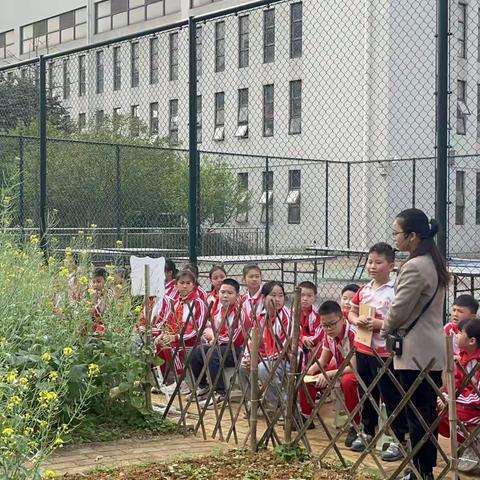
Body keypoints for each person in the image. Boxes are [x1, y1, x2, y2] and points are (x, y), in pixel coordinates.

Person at [383, 208, 449, 480]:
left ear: (412, 236)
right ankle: (425, 470)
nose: (394, 238)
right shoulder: (434, 262)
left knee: (415, 412)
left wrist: (384, 326)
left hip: (415, 351)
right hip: (431, 348)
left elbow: (399, 310)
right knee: (426, 411)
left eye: (396, 233)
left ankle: (419, 471)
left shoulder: (414, 266)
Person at [348, 243, 408, 460]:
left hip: (385, 353)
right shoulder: (364, 290)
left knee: (391, 395)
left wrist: (375, 323)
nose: (372, 266)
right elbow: (351, 314)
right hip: (363, 348)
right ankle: (366, 432)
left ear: (391, 265)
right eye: (370, 261)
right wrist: (358, 320)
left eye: (378, 262)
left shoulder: (396, 291)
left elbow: (400, 320)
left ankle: (398, 439)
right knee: (366, 392)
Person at [300, 301, 359, 442]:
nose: (328, 328)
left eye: (332, 324)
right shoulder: (328, 335)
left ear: (342, 319)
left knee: (348, 381)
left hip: (357, 371)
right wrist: (309, 370)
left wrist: (327, 374)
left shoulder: (352, 334)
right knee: (308, 374)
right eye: (324, 325)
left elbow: (354, 367)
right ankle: (306, 416)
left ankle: (356, 425)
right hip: (339, 368)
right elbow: (323, 360)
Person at [189, 278, 250, 409]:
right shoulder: (218, 311)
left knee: (212, 353)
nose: (225, 295)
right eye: (222, 292)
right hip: (221, 347)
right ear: (218, 294)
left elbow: (235, 339)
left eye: (230, 293)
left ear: (237, 295)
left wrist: (215, 338)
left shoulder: (241, 313)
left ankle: (220, 392)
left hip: (238, 350)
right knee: (197, 351)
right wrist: (211, 337)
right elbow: (210, 327)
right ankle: (204, 386)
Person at [239, 281, 291, 416]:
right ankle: (254, 401)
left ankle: (279, 405)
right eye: (273, 295)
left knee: (263, 368)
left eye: (281, 295)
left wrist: (259, 360)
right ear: (264, 298)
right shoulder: (260, 317)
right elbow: (252, 342)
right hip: (265, 358)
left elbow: (285, 348)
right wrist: (249, 358)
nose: (277, 299)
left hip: (287, 360)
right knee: (243, 367)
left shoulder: (287, 317)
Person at [153, 270, 206, 393]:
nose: (185, 286)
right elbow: (168, 324)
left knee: (172, 348)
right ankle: (161, 380)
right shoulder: (177, 304)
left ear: (194, 285)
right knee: (159, 344)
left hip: (194, 343)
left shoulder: (198, 304)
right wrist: (162, 335)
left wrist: (175, 338)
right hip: (178, 340)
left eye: (188, 283)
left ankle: (182, 381)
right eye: (181, 283)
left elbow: (197, 330)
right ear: (176, 285)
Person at [438, 319, 480, 445]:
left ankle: (473, 443)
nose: (456, 335)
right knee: (437, 409)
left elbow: (478, 396)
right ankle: (466, 443)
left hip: (474, 406)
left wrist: (452, 399)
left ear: (472, 341)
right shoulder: (464, 357)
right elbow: (456, 382)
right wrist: (446, 395)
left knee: (456, 414)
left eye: (461, 333)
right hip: (466, 402)